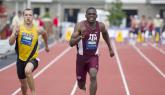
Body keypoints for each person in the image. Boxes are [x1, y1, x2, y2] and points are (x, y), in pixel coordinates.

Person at [69, 7, 114, 95]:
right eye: (89, 14)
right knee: (80, 84)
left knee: (93, 75)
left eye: (93, 14)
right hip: (81, 58)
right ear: (86, 16)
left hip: (93, 56)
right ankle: (82, 85)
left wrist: (110, 48)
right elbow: (71, 43)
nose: (91, 16)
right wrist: (80, 37)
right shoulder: (79, 26)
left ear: (96, 16)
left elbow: (105, 34)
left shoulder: (100, 26)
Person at [9, 8, 49, 95]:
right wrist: (15, 34)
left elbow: (45, 34)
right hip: (20, 59)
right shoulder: (18, 27)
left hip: (33, 58)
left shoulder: (38, 29)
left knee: (28, 71)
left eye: (30, 15)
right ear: (23, 16)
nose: (28, 17)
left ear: (32, 17)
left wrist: (46, 46)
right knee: (23, 85)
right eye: (26, 15)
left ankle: (33, 93)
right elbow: (11, 43)